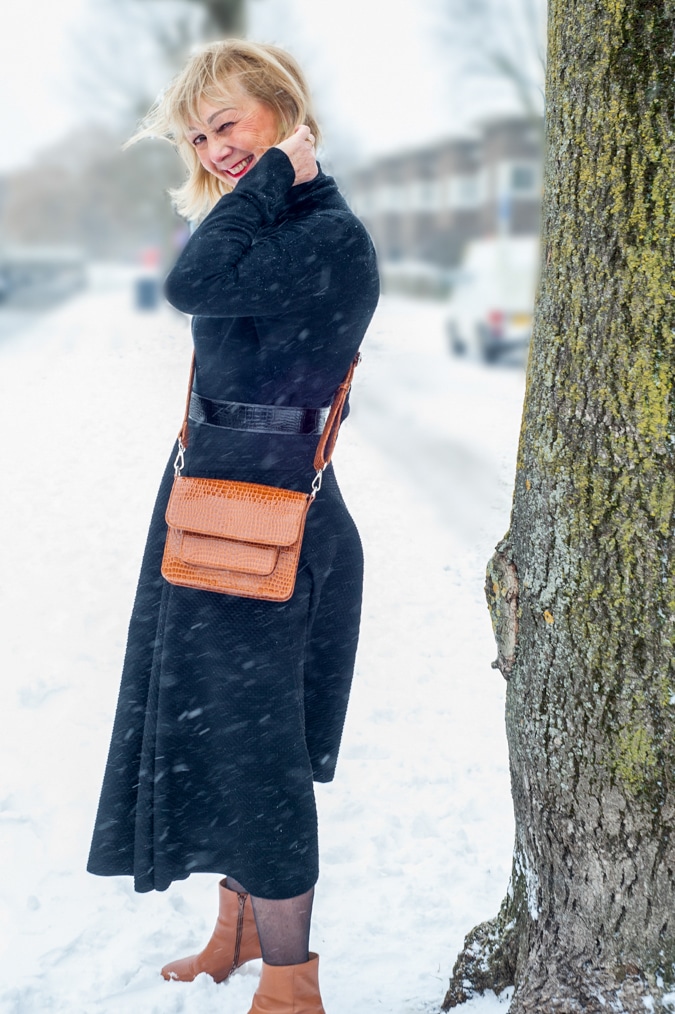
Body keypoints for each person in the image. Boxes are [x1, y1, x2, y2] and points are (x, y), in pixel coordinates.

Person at [87, 39, 379, 1014]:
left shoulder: (325, 235)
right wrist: (261, 181)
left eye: (229, 124)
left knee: (259, 753)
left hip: (272, 531)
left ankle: (294, 980)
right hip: (210, 513)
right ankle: (241, 927)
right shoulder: (263, 230)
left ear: (285, 114)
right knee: (215, 737)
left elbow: (190, 282)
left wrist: (275, 175)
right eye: (198, 134)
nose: (213, 148)